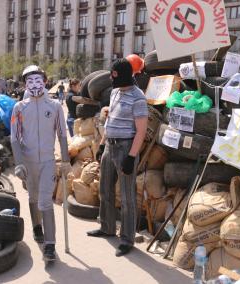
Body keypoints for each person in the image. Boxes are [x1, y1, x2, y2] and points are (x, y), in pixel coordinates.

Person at [87, 59, 148, 257]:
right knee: (105, 189)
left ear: (126, 76)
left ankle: (127, 239)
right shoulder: (114, 92)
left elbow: (141, 131)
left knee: (127, 197)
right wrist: (102, 144)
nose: (113, 82)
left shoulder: (138, 97)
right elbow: (109, 120)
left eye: (116, 77)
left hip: (126, 148)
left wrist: (131, 157)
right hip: (110, 146)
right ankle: (107, 227)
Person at [10, 65, 71, 261]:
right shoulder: (19, 108)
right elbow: (14, 137)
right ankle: (37, 227)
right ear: (25, 83)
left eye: (38, 80)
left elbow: (62, 134)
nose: (35, 84)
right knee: (33, 197)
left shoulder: (54, 106)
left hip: (47, 161)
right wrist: (18, 162)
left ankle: (50, 245)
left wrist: (66, 159)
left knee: (45, 201)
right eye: (30, 80)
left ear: (45, 82)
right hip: (28, 162)